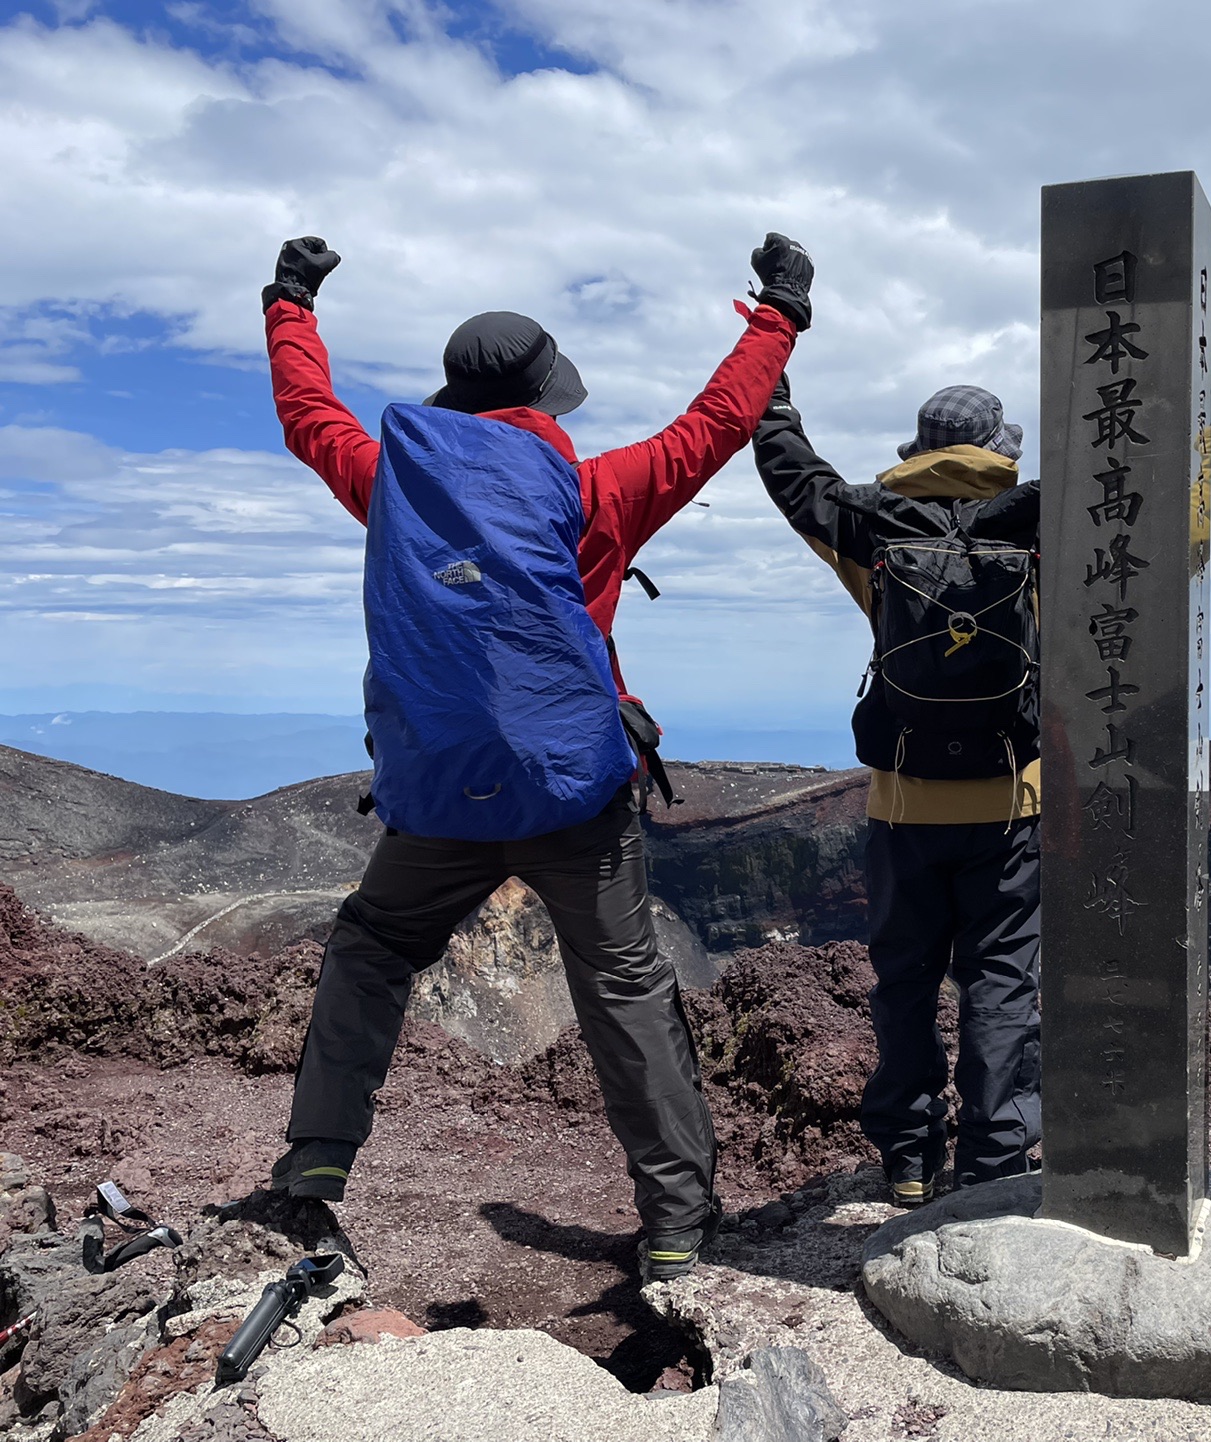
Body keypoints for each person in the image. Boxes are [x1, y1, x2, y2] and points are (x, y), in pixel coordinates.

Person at [259, 230, 815, 1280]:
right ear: (545, 396)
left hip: (437, 797)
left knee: (373, 946)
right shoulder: (598, 493)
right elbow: (718, 423)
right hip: (575, 794)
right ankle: (676, 1224)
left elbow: (308, 416)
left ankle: (317, 1168)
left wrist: (290, 303)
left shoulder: (389, 482)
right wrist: (778, 312)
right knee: (624, 981)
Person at [753, 380, 1041, 1206]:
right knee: (1001, 987)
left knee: (905, 982)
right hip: (1010, 802)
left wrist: (770, 393)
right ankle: (995, 1163)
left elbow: (792, 475)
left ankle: (911, 1159)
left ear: (920, 450)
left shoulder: (875, 523)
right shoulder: (1043, 523)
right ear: (1000, 451)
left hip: (903, 804)